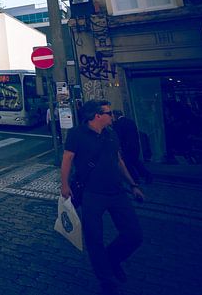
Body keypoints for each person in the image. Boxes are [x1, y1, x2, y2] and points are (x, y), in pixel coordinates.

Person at [61, 100, 144, 294]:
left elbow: (118, 161)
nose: (112, 116)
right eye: (108, 113)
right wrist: (64, 185)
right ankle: (106, 279)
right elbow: (67, 160)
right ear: (96, 116)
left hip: (117, 192)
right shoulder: (77, 134)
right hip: (91, 194)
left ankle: (112, 260)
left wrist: (133, 185)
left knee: (134, 235)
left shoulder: (111, 134)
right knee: (94, 239)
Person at [113, 110, 152, 184]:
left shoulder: (119, 124)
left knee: (127, 164)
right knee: (135, 162)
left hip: (127, 147)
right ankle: (147, 175)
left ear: (115, 115)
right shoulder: (131, 122)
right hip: (135, 146)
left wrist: (119, 148)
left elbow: (119, 137)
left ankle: (135, 179)